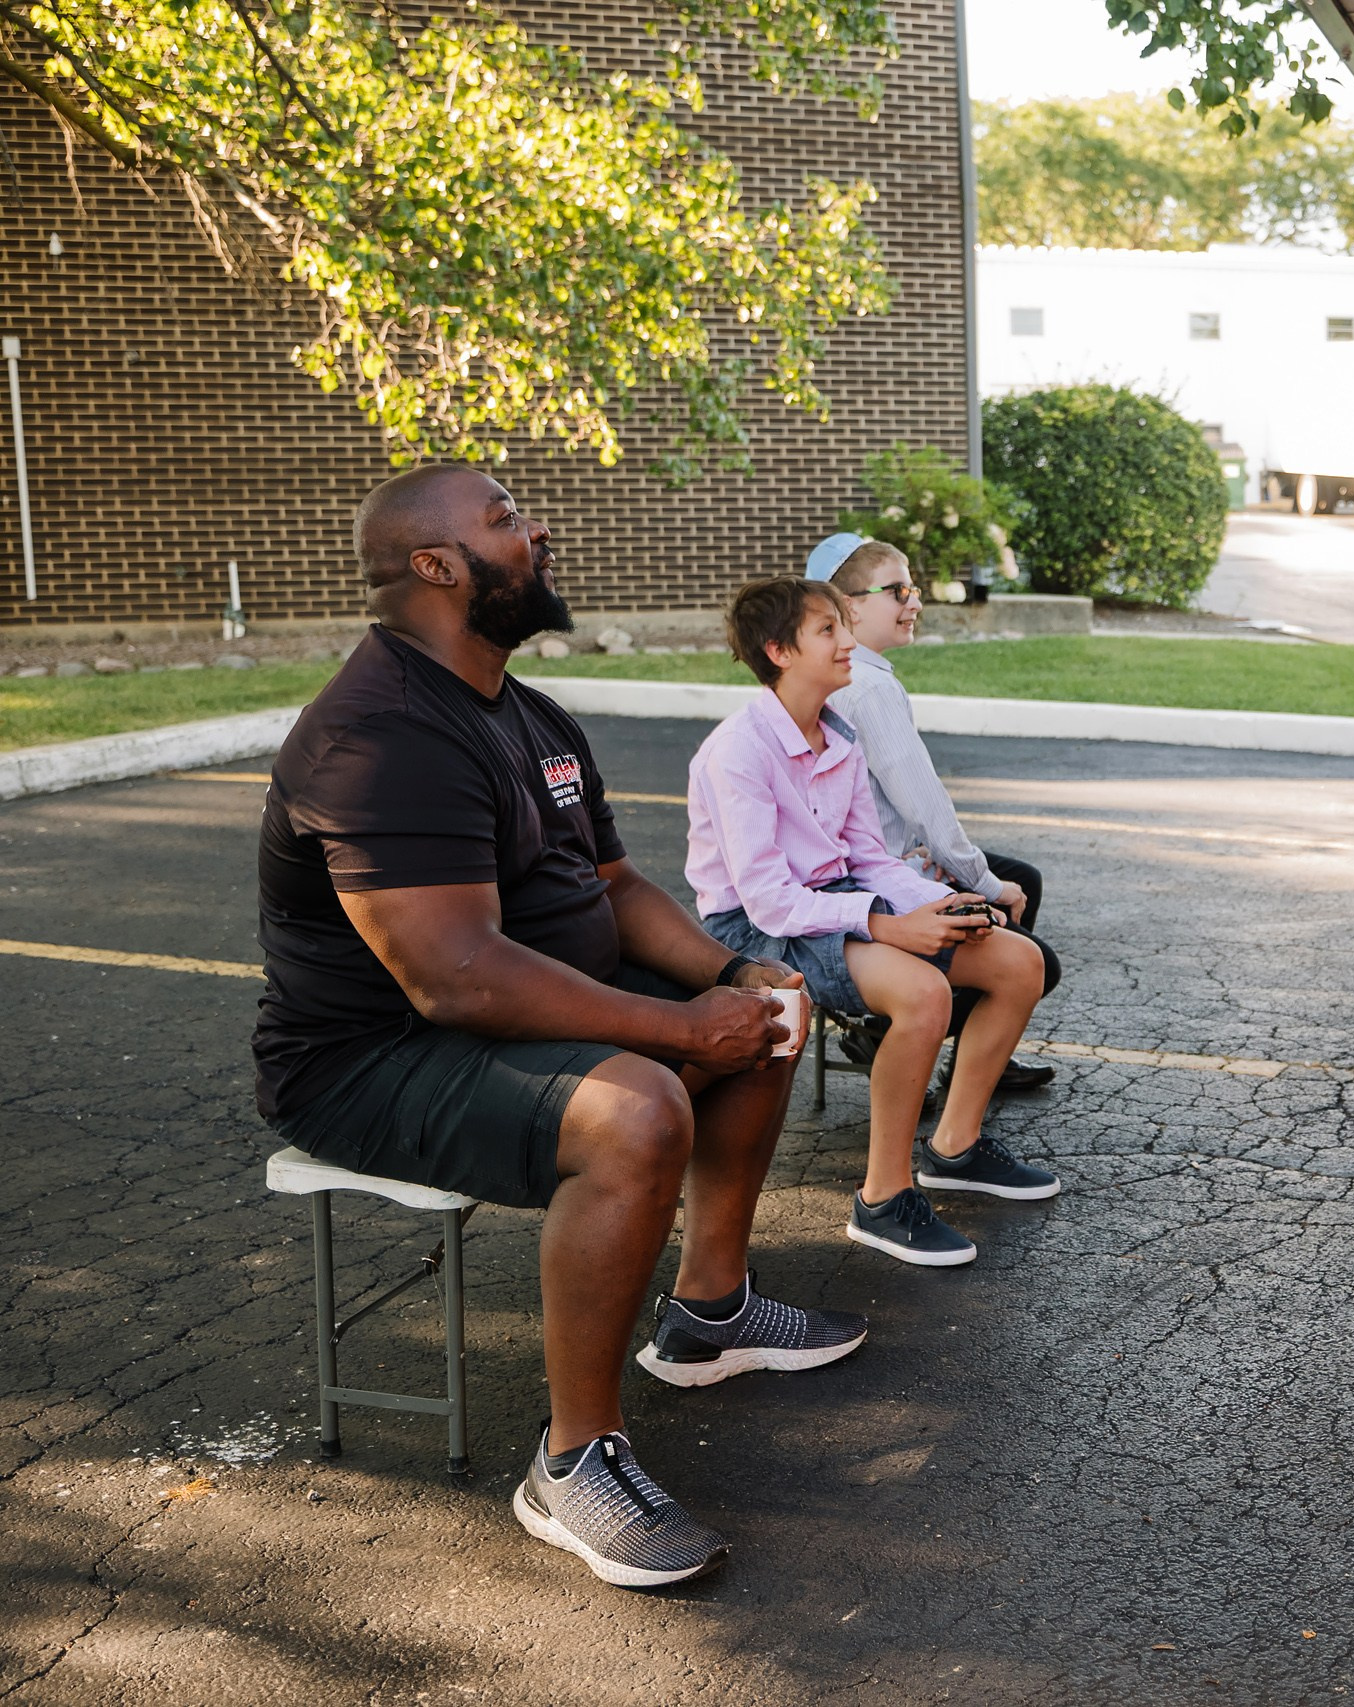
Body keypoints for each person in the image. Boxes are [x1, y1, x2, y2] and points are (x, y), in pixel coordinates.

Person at [255, 466, 858, 1592]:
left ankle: (709, 1313)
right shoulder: (378, 734)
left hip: (500, 1008)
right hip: (369, 1061)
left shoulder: (525, 711)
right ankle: (574, 1460)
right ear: (436, 568)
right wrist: (675, 1026)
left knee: (768, 1009)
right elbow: (460, 980)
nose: (536, 529)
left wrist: (732, 972)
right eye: (501, 521)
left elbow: (615, 887)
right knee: (637, 1110)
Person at [686, 576, 1062, 1275]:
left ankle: (955, 1146)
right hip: (754, 926)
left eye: (843, 626)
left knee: (1019, 962)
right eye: (827, 630)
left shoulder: (838, 734)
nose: (848, 641)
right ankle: (883, 1198)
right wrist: (889, 930)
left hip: (834, 895)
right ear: (778, 650)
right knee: (924, 993)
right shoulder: (737, 751)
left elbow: (866, 855)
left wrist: (932, 903)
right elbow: (769, 901)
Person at [808, 534, 1060, 1094]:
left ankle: (975, 1052)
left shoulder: (846, 674)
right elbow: (924, 806)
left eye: (913, 588)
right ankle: (946, 1049)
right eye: (897, 591)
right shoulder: (868, 687)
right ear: (850, 605)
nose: (914, 602)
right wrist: (984, 883)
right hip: (873, 880)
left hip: (872, 863)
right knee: (1030, 933)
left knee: (1024, 880)